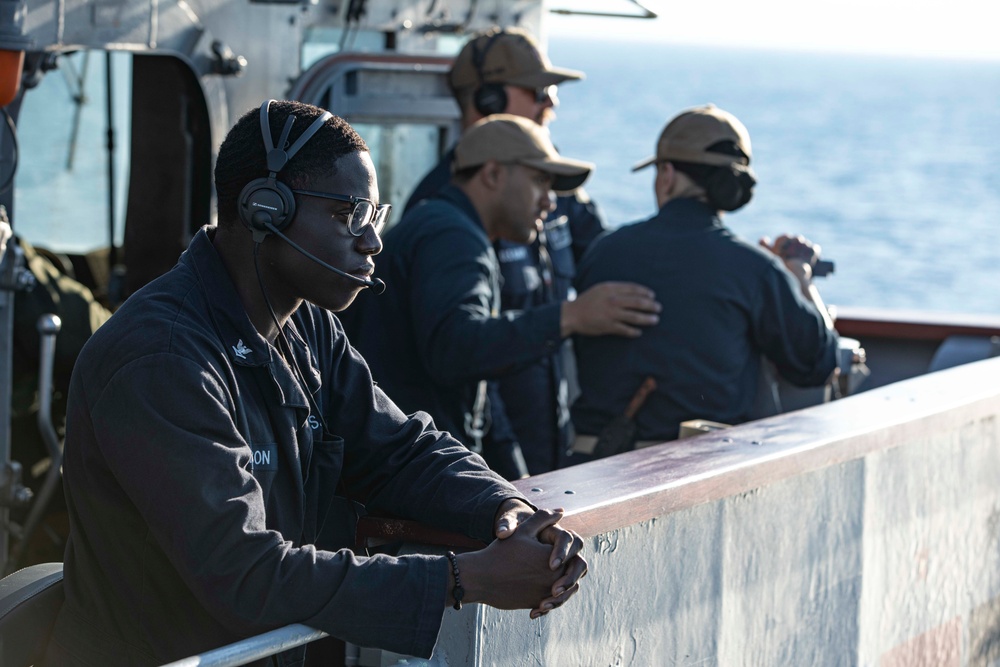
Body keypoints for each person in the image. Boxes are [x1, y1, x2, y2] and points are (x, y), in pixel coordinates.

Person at [43, 100, 587, 667]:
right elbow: (242, 571)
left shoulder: (305, 325)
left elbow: (400, 450)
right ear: (265, 210)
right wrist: (460, 578)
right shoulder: (162, 359)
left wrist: (504, 508)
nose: (372, 242)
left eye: (374, 216)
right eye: (349, 215)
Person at [348, 114, 660, 481]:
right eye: (540, 180)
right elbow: (456, 348)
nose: (550, 202)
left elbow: (477, 385)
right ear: (493, 174)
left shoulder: (445, 226)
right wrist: (569, 317)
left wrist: (514, 477)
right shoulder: (453, 236)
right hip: (407, 475)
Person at [572, 104, 839, 451]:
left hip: (591, 468)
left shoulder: (603, 251)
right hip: (698, 472)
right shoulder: (755, 269)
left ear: (666, 174)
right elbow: (817, 364)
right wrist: (800, 277)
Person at [401, 27, 607, 474]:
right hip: (484, 462)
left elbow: (605, 255)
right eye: (538, 91)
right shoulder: (447, 211)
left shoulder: (550, 195)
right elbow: (460, 350)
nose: (550, 103)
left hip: (542, 444)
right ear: (488, 100)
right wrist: (508, 472)